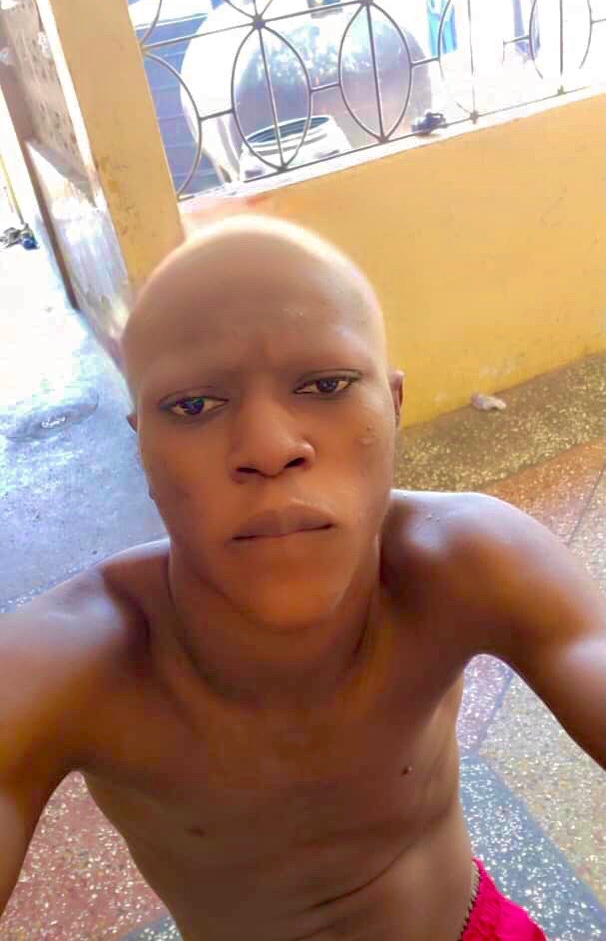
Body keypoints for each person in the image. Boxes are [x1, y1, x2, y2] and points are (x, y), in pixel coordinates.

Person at [1, 214, 605, 941]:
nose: (268, 447)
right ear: (144, 447)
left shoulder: (468, 561)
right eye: (193, 406)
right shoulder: (73, 662)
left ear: (394, 407)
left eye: (326, 384)